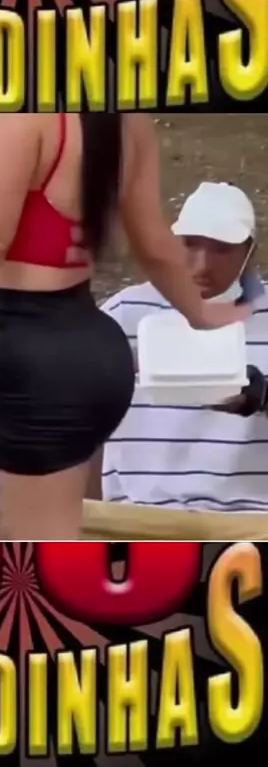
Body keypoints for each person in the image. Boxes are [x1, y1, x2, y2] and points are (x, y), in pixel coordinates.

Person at [0, 115, 249, 541]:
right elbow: (153, 243)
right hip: (71, 352)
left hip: (38, 364)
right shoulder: (127, 123)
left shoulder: (22, 118)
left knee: (27, 561)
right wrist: (199, 313)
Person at [99, 182, 268, 540]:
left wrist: (263, 397)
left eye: (222, 249)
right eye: (190, 244)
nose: (202, 265)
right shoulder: (126, 313)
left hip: (251, 520)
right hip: (137, 516)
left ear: (249, 252)